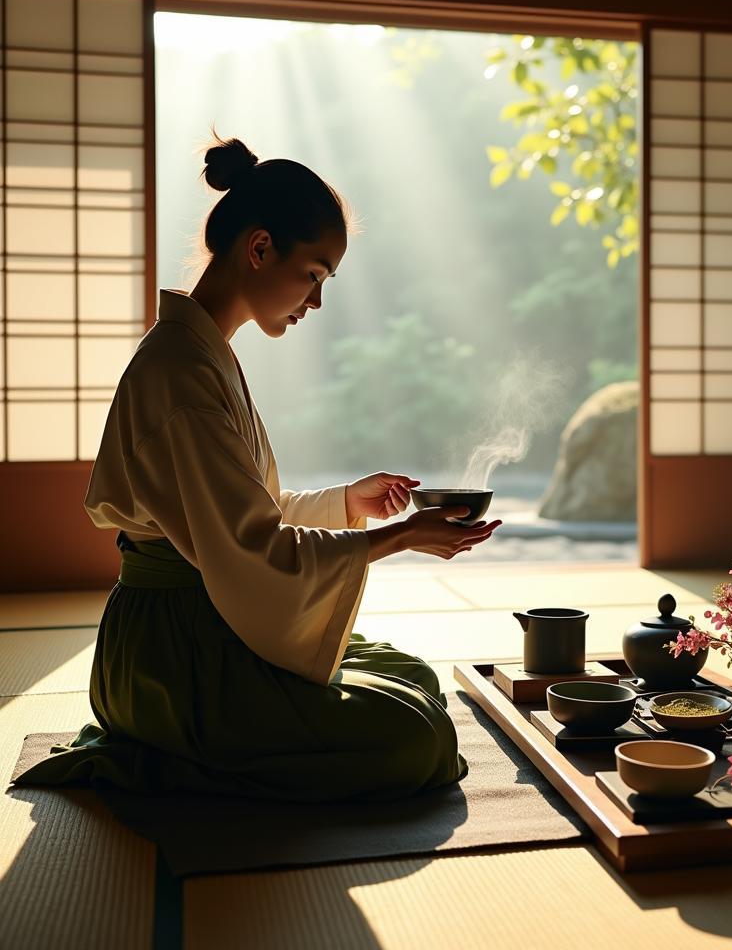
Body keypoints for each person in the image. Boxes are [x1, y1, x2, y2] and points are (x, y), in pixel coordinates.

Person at [15, 136, 501, 802]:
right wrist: (401, 538)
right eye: (315, 275)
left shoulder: (202, 353)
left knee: (411, 675)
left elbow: (233, 518)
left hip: (210, 620)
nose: (317, 302)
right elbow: (250, 549)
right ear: (261, 248)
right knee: (417, 737)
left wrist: (344, 502)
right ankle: (168, 749)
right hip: (173, 659)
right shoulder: (181, 371)